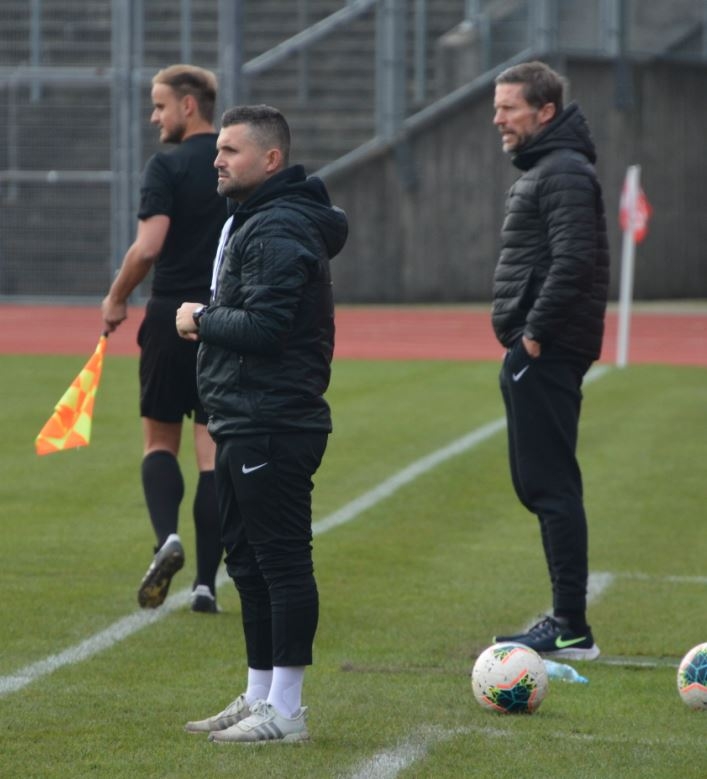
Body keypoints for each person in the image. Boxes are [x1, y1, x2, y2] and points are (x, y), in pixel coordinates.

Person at [175, 105, 348, 743]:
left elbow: (267, 328)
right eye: (217, 149)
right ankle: (258, 697)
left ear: (270, 160)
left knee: (280, 563)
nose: (217, 160)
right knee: (246, 565)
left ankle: (290, 711)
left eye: (230, 151)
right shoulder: (253, 219)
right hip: (243, 416)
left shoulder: (277, 226)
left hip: (274, 418)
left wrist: (199, 317)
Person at [489, 61, 610, 659]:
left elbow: (573, 262)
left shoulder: (562, 169)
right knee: (543, 483)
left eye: (509, 107)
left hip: (549, 347)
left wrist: (532, 337)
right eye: (497, 106)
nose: (498, 118)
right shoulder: (552, 167)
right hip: (543, 345)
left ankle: (570, 628)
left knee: (551, 485)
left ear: (545, 112)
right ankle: (568, 622)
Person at [101, 64, 226, 613]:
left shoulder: (167, 164)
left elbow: (149, 246)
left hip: (169, 315)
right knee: (212, 454)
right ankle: (205, 583)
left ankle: (165, 538)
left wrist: (116, 296)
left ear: (188, 106)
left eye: (159, 106)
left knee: (159, 442)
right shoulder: (234, 160)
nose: (155, 117)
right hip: (224, 322)